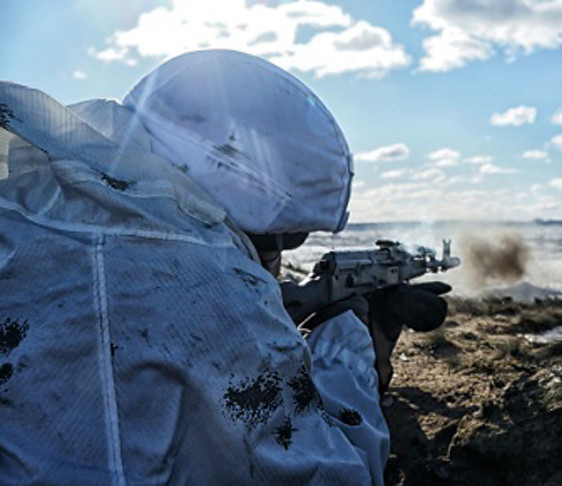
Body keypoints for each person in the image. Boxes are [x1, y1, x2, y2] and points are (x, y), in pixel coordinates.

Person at [0, 50, 447, 485]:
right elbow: (340, 475)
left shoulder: (37, 210)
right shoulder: (202, 281)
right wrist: (348, 338)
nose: (279, 259)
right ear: (257, 214)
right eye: (288, 237)